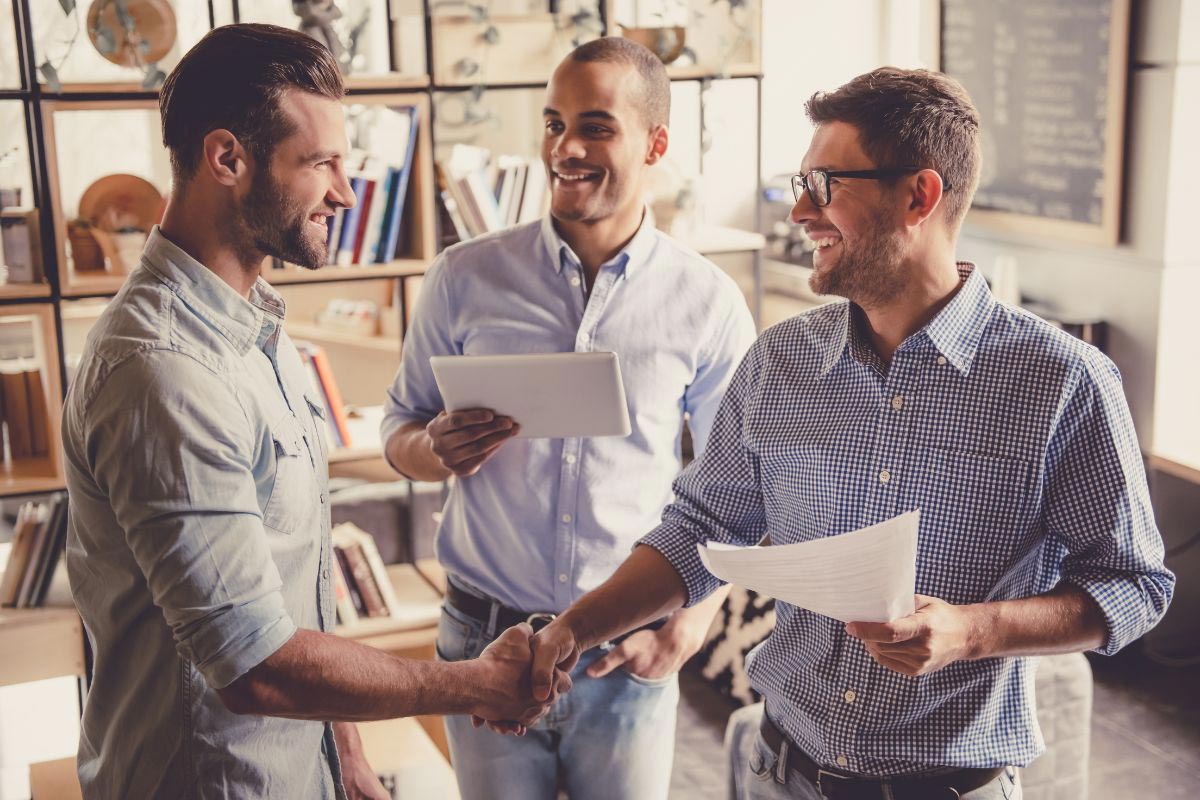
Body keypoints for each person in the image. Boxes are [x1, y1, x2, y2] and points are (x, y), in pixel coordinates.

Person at [529, 67, 1175, 800]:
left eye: (825, 185)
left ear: (919, 197)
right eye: (800, 182)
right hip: (777, 771)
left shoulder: (1063, 382)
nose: (801, 211)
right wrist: (570, 631)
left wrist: (972, 631)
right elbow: (700, 530)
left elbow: (1134, 585)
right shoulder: (779, 360)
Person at [62, 24, 566, 800]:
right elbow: (254, 665)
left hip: (297, 773)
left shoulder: (256, 329)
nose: (345, 192)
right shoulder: (163, 371)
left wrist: (346, 753)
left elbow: (295, 588)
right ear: (227, 158)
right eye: (321, 163)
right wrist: (471, 683)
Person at [380, 36, 756, 800]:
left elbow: (742, 491)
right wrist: (432, 450)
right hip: (482, 641)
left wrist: (689, 627)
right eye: (553, 124)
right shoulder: (463, 276)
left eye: (595, 127)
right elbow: (398, 427)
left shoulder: (708, 302)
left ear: (655, 145)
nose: (565, 148)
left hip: (625, 652)